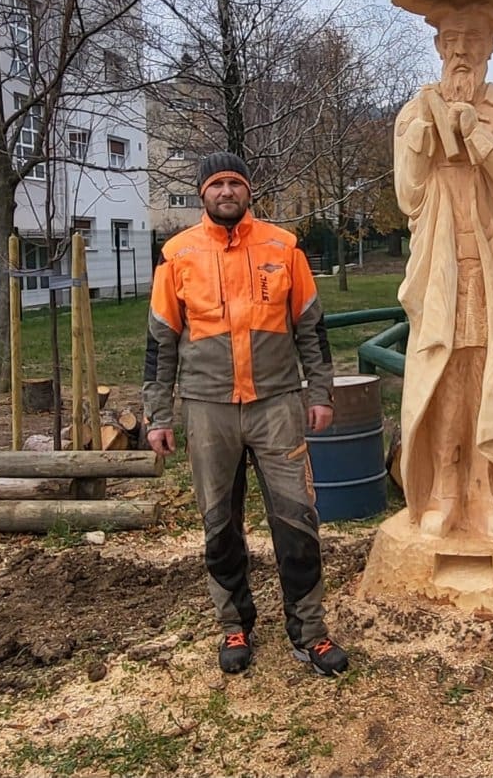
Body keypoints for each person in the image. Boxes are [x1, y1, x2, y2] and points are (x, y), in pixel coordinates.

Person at [143, 151, 348, 677]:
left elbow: (311, 330)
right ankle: (234, 624)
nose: (227, 191)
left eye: (236, 182)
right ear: (202, 194)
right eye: (217, 184)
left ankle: (310, 631)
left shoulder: (284, 247)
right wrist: (158, 413)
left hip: (277, 404)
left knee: (297, 519)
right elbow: (161, 342)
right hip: (209, 409)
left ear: (249, 191)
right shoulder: (176, 254)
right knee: (219, 524)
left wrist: (319, 393)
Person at [393, 0, 493, 543]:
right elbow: (408, 198)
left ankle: (486, 493)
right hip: (439, 269)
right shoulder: (414, 112)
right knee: (446, 379)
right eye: (451, 40)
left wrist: (479, 139)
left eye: (473, 40)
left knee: (490, 377)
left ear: (491, 47)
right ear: (438, 46)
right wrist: (421, 139)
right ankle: (444, 490)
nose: (461, 52)